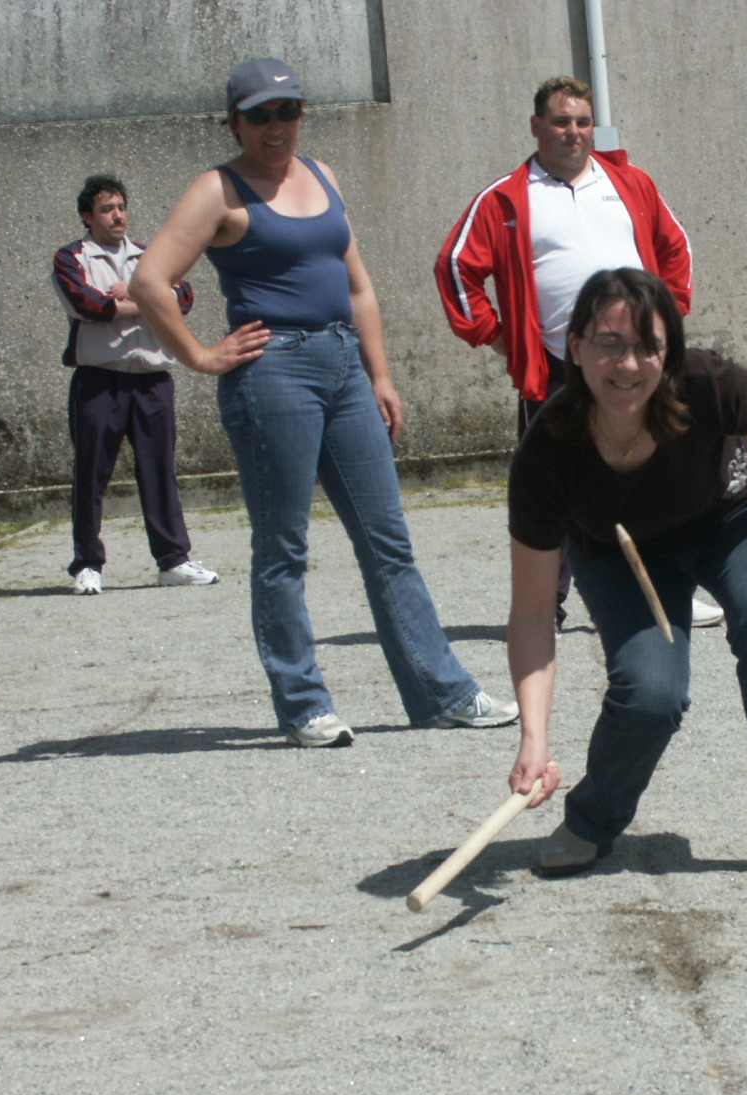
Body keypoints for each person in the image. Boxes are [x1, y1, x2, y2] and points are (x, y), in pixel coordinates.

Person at [131, 58, 516, 747]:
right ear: (235, 123)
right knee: (283, 547)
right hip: (273, 372)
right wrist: (200, 355)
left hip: (344, 366)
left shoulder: (323, 175)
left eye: (288, 111)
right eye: (260, 116)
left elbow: (357, 284)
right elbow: (149, 281)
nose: (276, 126)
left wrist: (380, 375)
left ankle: (443, 694)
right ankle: (304, 704)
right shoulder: (217, 190)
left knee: (388, 540)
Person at [506, 267, 747, 877]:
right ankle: (593, 818)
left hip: (736, 514)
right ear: (576, 347)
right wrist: (534, 737)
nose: (628, 364)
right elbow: (534, 613)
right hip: (620, 552)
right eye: (609, 343)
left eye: (648, 346)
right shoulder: (548, 451)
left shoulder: (704, 382)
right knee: (652, 692)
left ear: (669, 352)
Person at [435, 76, 723, 628]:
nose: (574, 132)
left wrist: (664, 322)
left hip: (636, 365)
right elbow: (454, 267)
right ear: (536, 126)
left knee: (653, 472)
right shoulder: (505, 198)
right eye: (561, 121)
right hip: (555, 368)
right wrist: (499, 338)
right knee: (553, 484)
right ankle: (545, 603)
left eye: (583, 121)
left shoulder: (630, 183)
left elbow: (675, 248)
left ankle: (668, 589)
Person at [52, 175, 220, 595]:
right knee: (91, 474)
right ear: (88, 216)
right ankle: (87, 565)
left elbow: (184, 298)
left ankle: (173, 560)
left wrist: (133, 294)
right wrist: (149, 298)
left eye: (121, 207)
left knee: (159, 471)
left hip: (152, 380)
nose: (117, 215)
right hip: (99, 380)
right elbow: (88, 305)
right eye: (107, 209)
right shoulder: (71, 257)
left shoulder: (150, 255)